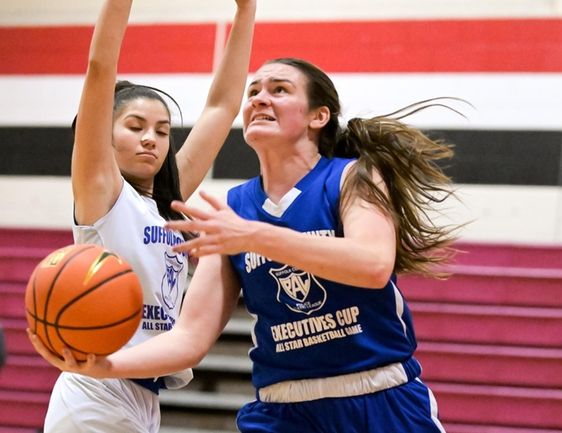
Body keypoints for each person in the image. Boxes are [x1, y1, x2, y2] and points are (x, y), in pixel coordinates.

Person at [31, 57, 463, 433]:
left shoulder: (352, 177)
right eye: (254, 91)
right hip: (283, 408)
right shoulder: (234, 208)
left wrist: (254, 236)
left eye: (279, 90)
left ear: (318, 116)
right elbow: (191, 337)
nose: (258, 98)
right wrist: (105, 366)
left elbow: (371, 265)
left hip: (378, 395)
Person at [31, 0, 256, 431]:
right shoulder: (103, 193)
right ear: (104, 134)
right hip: (94, 390)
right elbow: (100, 67)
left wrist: (246, 10)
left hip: (144, 394)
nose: (151, 139)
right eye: (135, 127)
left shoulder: (168, 203)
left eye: (162, 130)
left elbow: (222, 107)